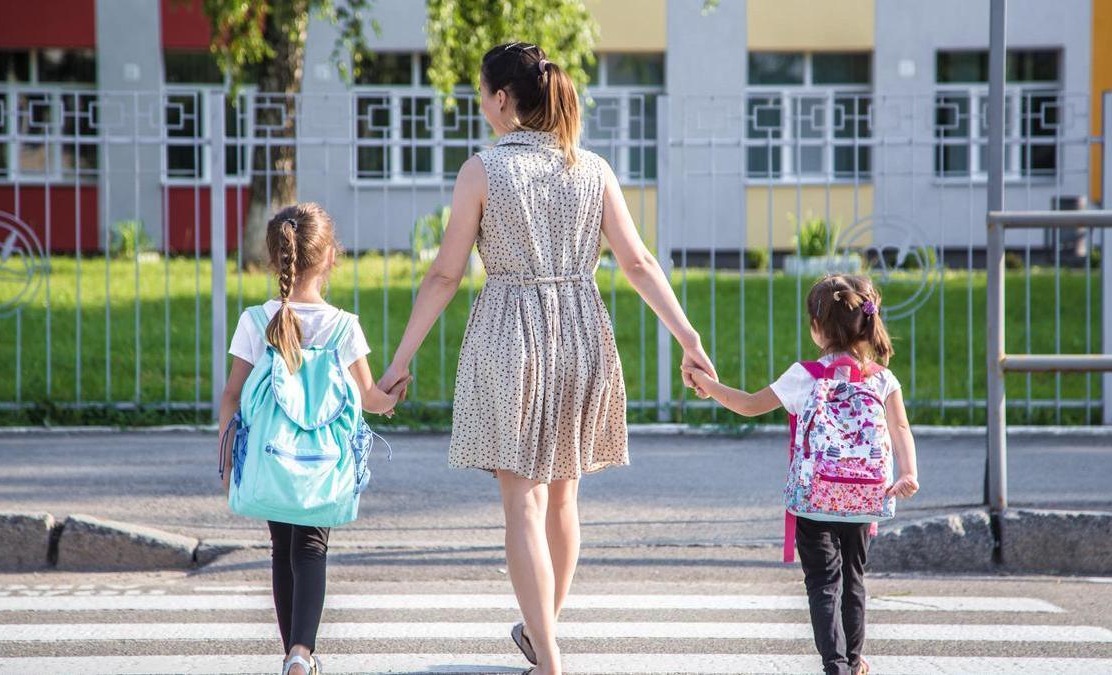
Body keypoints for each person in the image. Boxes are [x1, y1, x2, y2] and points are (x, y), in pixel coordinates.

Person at [375, 42, 715, 675]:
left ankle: (551, 659)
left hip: (512, 336)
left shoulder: (482, 170)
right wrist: (689, 338)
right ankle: (543, 638)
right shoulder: (592, 169)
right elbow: (639, 263)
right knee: (564, 501)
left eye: (481, 94)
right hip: (582, 334)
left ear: (503, 100)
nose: (480, 105)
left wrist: (398, 361)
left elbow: (445, 276)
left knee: (521, 505)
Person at [684, 274, 919, 675]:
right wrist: (908, 472)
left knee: (823, 584)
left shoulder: (806, 376)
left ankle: (835, 665)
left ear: (816, 328)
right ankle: (854, 658)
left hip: (815, 497)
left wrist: (707, 384)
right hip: (864, 498)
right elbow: (900, 428)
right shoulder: (882, 378)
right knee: (854, 580)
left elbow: (748, 405)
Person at [217, 202, 408, 675]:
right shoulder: (343, 326)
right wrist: (393, 391)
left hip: (270, 460)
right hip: (322, 465)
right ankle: (302, 651)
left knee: (282, 549)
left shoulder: (254, 320)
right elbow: (368, 399)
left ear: (274, 259)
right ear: (329, 259)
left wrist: (227, 464)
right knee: (311, 550)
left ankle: (292, 657)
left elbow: (232, 397)